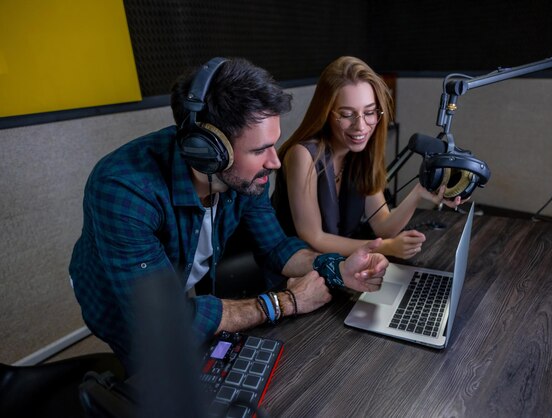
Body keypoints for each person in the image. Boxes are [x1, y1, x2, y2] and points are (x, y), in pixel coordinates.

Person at [69, 57, 388, 373]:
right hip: (118, 305)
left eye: (272, 145)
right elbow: (164, 323)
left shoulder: (249, 177)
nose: (274, 162)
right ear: (209, 151)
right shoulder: (123, 189)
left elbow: (277, 248)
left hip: (171, 293)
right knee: (155, 377)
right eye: (259, 150)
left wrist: (339, 268)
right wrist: (285, 302)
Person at [272, 56, 462, 261]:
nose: (361, 126)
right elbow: (313, 238)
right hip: (293, 271)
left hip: (338, 266)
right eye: (347, 114)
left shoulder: (362, 153)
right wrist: (385, 248)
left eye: (369, 112)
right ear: (326, 113)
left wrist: (418, 193)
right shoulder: (302, 155)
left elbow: (383, 226)